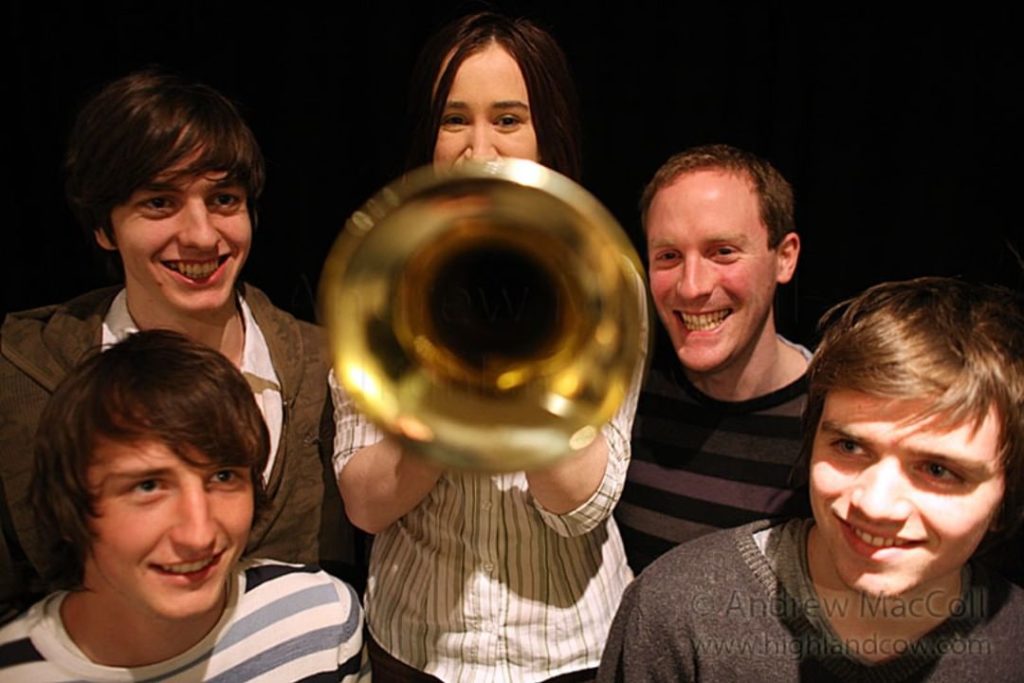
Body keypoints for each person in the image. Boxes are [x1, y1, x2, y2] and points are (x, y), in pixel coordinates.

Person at [332, 12, 644, 682]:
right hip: (417, 646)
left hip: (569, 650)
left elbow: (581, 503)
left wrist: (521, 349)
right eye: (454, 120)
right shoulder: (382, 275)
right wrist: (448, 380)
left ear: (546, 133)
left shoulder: (602, 278)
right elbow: (365, 502)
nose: (480, 147)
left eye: (507, 119)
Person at [0, 70, 350, 621]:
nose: (202, 236)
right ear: (104, 227)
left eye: (224, 200)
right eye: (160, 202)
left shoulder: (332, 365)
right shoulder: (19, 371)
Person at [598, 277, 1024, 681]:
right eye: (850, 448)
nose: (874, 504)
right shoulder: (678, 611)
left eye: (937, 470)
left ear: (1007, 498)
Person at [0, 330, 364, 680]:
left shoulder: (321, 619)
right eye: (148, 486)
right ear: (68, 503)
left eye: (224, 477)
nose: (199, 534)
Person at [616, 144, 809, 573]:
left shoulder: (833, 424)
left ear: (785, 257)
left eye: (722, 251)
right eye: (668, 256)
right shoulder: (621, 402)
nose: (691, 287)